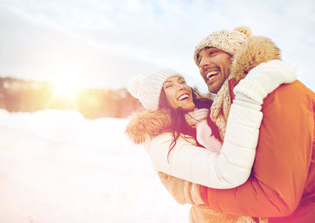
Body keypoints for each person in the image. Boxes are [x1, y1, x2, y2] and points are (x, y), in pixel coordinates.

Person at [157, 26, 315, 223]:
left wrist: (199, 193)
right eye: (198, 60)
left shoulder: (277, 91)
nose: (203, 64)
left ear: (236, 53)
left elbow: (276, 198)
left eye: (212, 53)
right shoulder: (237, 107)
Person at [126, 63, 296, 222]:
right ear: (158, 101)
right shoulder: (161, 142)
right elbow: (226, 172)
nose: (182, 86)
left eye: (181, 81)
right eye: (169, 86)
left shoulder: (208, 116)